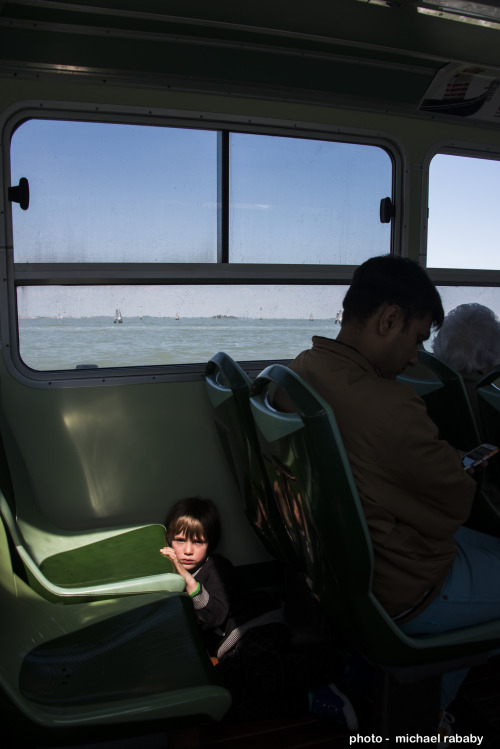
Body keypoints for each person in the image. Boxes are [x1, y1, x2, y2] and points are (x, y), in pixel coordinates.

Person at [277, 254, 500, 712]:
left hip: (340, 573)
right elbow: (455, 500)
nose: (415, 356)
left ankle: (376, 684)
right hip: (405, 587)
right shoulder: (387, 404)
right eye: (416, 339)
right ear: (389, 319)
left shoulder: (302, 369)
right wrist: (457, 466)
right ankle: (422, 718)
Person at [160, 496, 359, 727]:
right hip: (232, 650)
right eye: (179, 540)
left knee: (263, 677)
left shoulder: (216, 567)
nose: (187, 550)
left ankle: (340, 664)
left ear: (210, 543)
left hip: (258, 625)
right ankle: (311, 699)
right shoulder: (173, 575)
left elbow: (214, 615)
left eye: (198, 542)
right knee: (223, 701)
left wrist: (188, 583)